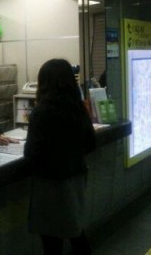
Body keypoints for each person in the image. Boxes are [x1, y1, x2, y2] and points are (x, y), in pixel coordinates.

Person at [23, 59, 96, 255]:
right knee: (76, 232)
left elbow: (31, 155)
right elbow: (91, 143)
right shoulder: (78, 108)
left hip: (50, 185)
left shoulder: (41, 112)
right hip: (76, 178)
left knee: (51, 242)